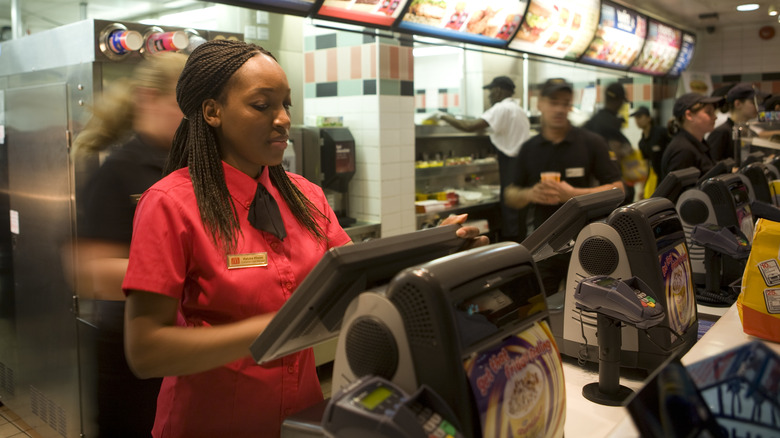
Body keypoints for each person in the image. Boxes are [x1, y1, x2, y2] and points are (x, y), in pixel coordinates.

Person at [122, 40, 486, 438]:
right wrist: (285, 325)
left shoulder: (305, 196)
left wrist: (438, 250)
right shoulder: (170, 204)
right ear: (212, 112)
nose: (282, 119)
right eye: (263, 105)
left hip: (302, 421)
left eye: (286, 105)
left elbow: (363, 282)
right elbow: (147, 351)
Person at [71, 52, 187, 437]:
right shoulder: (119, 170)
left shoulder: (187, 163)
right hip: (128, 348)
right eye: (181, 105)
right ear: (146, 99)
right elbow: (93, 272)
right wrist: (195, 270)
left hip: (181, 340)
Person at [504, 78, 623, 296]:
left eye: (565, 103)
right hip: (542, 246)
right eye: (553, 102)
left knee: (584, 311)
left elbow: (618, 189)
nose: (559, 108)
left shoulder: (591, 142)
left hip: (585, 244)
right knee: (543, 309)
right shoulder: (529, 148)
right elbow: (510, 194)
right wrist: (530, 193)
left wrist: (574, 196)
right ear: (539, 103)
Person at [437, 75, 530, 241]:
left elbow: (469, 126)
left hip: (512, 164)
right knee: (517, 213)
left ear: (499, 90)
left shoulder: (502, 108)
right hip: (522, 164)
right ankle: (519, 246)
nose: (489, 96)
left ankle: (510, 249)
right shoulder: (518, 109)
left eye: (491, 91)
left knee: (510, 210)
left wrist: (442, 116)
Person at [583, 82, 640, 205]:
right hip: (607, 185)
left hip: (596, 184)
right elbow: (615, 151)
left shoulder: (595, 120)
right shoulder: (610, 122)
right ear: (618, 101)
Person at [660, 93, 724, 181]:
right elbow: (682, 193)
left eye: (714, 112)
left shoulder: (698, 144)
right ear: (689, 115)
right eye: (709, 112)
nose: (715, 117)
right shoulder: (682, 151)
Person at [708, 83, 760, 162]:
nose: (757, 107)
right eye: (753, 102)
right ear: (738, 104)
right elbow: (712, 165)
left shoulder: (749, 131)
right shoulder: (722, 132)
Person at [631, 106, 671, 198]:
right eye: (635, 118)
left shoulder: (661, 132)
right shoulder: (642, 143)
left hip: (669, 175)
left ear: (648, 118)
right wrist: (642, 188)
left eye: (640, 117)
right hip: (658, 178)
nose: (637, 120)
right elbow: (645, 165)